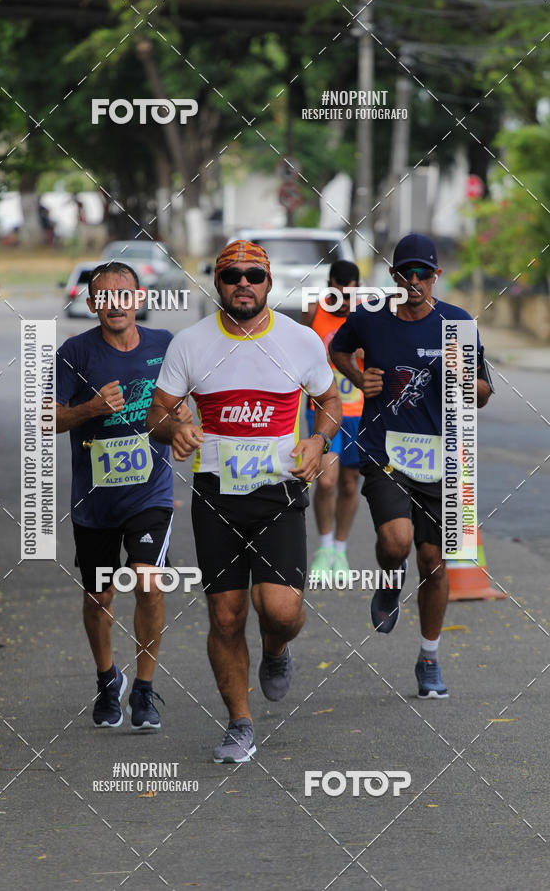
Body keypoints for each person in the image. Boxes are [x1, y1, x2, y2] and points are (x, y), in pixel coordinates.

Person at [146, 240, 342, 763]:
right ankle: (239, 723)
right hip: (217, 496)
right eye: (232, 276)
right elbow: (157, 412)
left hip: (278, 490)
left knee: (281, 611)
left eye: (254, 275)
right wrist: (174, 431)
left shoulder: (299, 340)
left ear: (269, 282)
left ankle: (276, 648)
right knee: (227, 617)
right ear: (217, 283)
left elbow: (330, 399)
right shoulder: (191, 343)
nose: (243, 284)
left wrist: (318, 440)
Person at [330, 233, 493, 699]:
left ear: (436, 275)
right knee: (396, 541)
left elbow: (483, 393)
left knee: (434, 564)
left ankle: (429, 657)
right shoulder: (370, 318)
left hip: (445, 457)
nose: (415, 281)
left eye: (424, 273)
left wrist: (462, 380)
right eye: (407, 273)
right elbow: (337, 349)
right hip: (385, 451)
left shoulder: (456, 324)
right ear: (394, 276)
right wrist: (359, 377)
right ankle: (389, 579)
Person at [55, 262, 182, 730]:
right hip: (94, 501)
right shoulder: (75, 352)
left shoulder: (164, 345)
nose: (115, 304)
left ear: (139, 298)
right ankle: (108, 679)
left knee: (147, 582)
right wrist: (91, 407)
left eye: (123, 294)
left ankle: (144, 689)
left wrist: (183, 420)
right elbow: (47, 418)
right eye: (105, 296)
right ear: (92, 304)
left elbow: (184, 401)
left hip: (150, 492)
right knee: (99, 597)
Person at [302, 259, 364, 580]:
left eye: (350, 295)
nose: (344, 302)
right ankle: (325, 547)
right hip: (323, 409)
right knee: (326, 481)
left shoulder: (368, 314)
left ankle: (340, 550)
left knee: (350, 484)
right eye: (338, 294)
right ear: (329, 287)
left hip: (358, 411)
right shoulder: (313, 311)